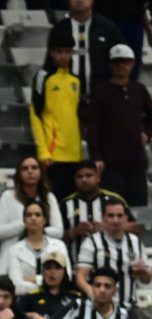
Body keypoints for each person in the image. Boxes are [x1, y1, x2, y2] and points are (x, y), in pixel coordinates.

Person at [88, 43, 152, 206]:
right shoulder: (101, 91)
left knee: (138, 205)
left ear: (132, 63)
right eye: (117, 62)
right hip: (111, 162)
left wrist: (148, 133)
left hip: (136, 160)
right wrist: (96, 156)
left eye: (125, 61)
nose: (121, 66)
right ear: (111, 65)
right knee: (114, 205)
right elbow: (93, 126)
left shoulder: (139, 89)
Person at [29, 30, 82, 201]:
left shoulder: (76, 80)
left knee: (70, 202)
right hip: (53, 155)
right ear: (51, 52)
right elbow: (35, 115)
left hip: (74, 154)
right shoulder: (43, 77)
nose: (63, 56)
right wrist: (43, 152)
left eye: (67, 51)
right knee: (52, 202)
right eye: (59, 51)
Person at [48, 0, 125, 103]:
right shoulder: (59, 29)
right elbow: (49, 65)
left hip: (103, 101)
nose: (79, 0)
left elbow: (123, 60)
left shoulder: (108, 28)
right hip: (65, 100)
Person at [0, 156, 65, 256]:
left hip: (43, 256)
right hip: (11, 256)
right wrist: (24, 225)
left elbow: (59, 231)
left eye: (34, 168)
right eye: (25, 168)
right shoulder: (8, 196)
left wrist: (36, 228)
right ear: (19, 174)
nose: (30, 171)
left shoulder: (49, 197)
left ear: (41, 173)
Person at [18, 250, 82, 319]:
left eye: (57, 268)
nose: (52, 272)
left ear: (65, 271)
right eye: (48, 268)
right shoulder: (32, 296)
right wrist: (32, 315)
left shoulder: (75, 298)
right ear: (42, 271)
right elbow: (14, 314)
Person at [0, 202, 73, 295]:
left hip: (56, 300)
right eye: (29, 215)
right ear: (24, 220)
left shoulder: (59, 245)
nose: (33, 218)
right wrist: (49, 283)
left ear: (45, 220)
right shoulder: (14, 249)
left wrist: (35, 279)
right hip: (26, 302)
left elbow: (67, 278)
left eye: (37, 214)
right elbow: (16, 286)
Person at [60, 160, 133, 258]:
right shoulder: (65, 204)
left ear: (98, 178)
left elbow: (135, 227)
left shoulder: (115, 199)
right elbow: (56, 236)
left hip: (111, 264)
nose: (84, 179)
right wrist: (74, 232)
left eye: (89, 175)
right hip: (75, 265)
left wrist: (107, 228)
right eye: (79, 176)